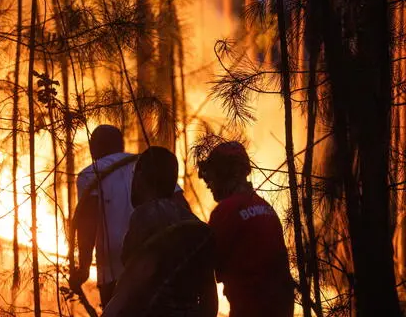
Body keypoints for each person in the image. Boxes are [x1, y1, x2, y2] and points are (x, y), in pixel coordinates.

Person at [69, 125, 184, 307]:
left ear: (93, 148)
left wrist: (83, 268)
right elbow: (181, 207)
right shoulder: (148, 164)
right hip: (156, 257)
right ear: (120, 145)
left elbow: (87, 223)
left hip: (113, 267)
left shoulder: (90, 173)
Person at [102, 146, 217, 317]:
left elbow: (132, 284)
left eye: (134, 174)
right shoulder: (196, 225)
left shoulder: (145, 216)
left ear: (140, 176)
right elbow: (210, 299)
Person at [198, 141, 294, 317]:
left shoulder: (225, 211)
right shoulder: (266, 208)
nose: (208, 185)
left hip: (250, 309)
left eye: (211, 177)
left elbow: (207, 270)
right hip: (282, 309)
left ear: (223, 174)